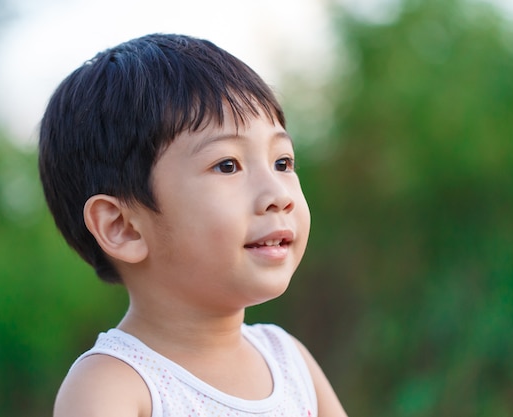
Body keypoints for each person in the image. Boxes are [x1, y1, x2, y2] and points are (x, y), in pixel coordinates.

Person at [38, 33, 347, 417]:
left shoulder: (289, 361)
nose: (278, 194)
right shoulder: (114, 386)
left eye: (282, 162)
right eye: (227, 165)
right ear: (124, 227)